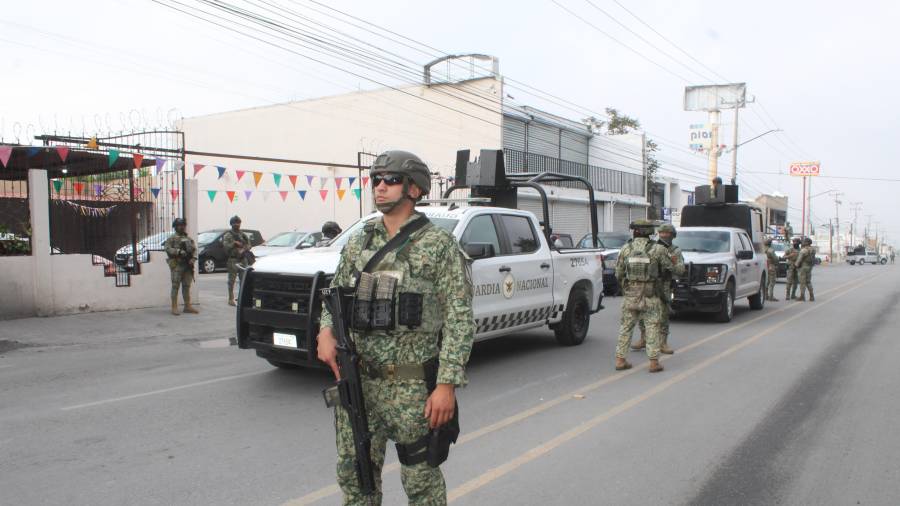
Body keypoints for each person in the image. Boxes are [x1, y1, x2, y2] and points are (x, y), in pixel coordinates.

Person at [316, 150, 475, 505]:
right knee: (356, 478)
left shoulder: (438, 246)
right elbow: (336, 296)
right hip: (359, 383)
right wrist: (324, 331)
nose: (380, 187)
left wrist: (446, 384)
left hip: (413, 389)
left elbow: (460, 319)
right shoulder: (360, 240)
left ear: (415, 189)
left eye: (391, 180)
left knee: (421, 481)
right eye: (376, 180)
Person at [614, 219, 673, 373]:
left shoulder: (625, 248)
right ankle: (654, 363)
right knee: (652, 325)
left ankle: (620, 360)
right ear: (650, 233)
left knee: (626, 326)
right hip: (650, 294)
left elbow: (618, 273)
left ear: (634, 231)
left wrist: (627, 287)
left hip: (631, 294)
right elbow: (671, 269)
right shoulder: (659, 249)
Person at [634, 223, 684, 354]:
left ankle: (663, 342)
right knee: (642, 312)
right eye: (662, 233)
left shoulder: (675, 250)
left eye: (667, 233)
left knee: (663, 314)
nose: (664, 236)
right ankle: (644, 338)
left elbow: (680, 270)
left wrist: (670, 263)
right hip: (648, 283)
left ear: (673, 236)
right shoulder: (651, 247)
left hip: (664, 285)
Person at [164, 218, 198, 315]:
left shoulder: (188, 238)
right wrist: (178, 251)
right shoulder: (172, 238)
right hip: (177, 265)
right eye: (179, 225)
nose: (181, 227)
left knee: (187, 286)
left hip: (188, 265)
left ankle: (187, 306)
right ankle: (174, 307)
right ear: (175, 226)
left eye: (183, 225)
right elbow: (167, 248)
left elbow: (194, 250)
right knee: (175, 286)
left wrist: (194, 259)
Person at [223, 215, 251, 306]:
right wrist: (234, 243)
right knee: (231, 280)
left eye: (238, 223)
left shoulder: (242, 234)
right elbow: (226, 247)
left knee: (243, 280)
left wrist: (244, 249)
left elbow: (249, 245)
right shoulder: (228, 235)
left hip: (243, 259)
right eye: (235, 223)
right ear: (231, 224)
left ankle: (241, 298)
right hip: (233, 260)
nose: (237, 225)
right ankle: (230, 298)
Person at [795, 237, 816, 301]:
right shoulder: (813, 249)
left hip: (803, 267)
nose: (803, 242)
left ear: (806, 243)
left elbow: (799, 259)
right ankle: (811, 296)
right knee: (808, 282)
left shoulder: (804, 250)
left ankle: (802, 296)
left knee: (802, 282)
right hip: (809, 267)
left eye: (804, 241)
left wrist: (796, 265)